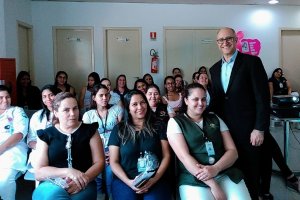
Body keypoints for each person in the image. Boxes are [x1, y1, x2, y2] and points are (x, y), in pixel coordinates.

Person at [209, 27, 270, 200]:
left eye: (228, 38)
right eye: (221, 40)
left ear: (236, 40)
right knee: (232, 172)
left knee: (251, 172)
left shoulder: (252, 62)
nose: (225, 42)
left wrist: (259, 128)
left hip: (250, 130)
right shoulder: (214, 69)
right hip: (225, 131)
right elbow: (217, 100)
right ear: (217, 44)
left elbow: (262, 97)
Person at [167, 83, 251, 200]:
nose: (201, 103)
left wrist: (215, 168)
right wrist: (213, 185)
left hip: (224, 171)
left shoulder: (215, 118)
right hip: (193, 177)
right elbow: (184, 157)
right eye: (195, 99)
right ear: (186, 100)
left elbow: (232, 151)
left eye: (203, 99)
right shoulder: (175, 122)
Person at [32, 92, 105, 200]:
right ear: (56, 112)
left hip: (84, 182)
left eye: (75, 108)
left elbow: (99, 163)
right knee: (52, 196)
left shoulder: (90, 131)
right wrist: (68, 171)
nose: (73, 113)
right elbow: (39, 172)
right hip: (52, 183)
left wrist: (82, 180)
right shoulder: (46, 135)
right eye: (66, 110)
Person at [108, 90, 172, 200]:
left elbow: (166, 156)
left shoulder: (159, 125)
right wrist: (129, 182)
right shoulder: (119, 129)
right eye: (134, 104)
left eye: (142, 102)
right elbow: (113, 161)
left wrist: (154, 179)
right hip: (125, 179)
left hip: (156, 178)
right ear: (128, 108)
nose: (140, 107)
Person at [82, 84, 123, 197]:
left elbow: (122, 134)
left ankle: (111, 196)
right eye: (101, 95)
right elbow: (86, 139)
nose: (104, 98)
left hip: (113, 149)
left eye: (106, 95)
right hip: (95, 151)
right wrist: (99, 154)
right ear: (94, 97)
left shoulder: (117, 109)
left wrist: (113, 152)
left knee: (110, 176)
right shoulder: (88, 115)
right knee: (98, 178)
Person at [0, 85, 29, 200]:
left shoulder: (16, 111)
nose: (5, 100)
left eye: (7, 97)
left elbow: (19, 134)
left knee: (4, 180)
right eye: (1, 97)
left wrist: (1, 149)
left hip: (12, 151)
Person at [27, 85, 61, 166]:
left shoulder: (64, 113)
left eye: (51, 95)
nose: (48, 99)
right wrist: (43, 149)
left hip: (61, 151)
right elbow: (31, 140)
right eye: (44, 96)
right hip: (40, 152)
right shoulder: (37, 116)